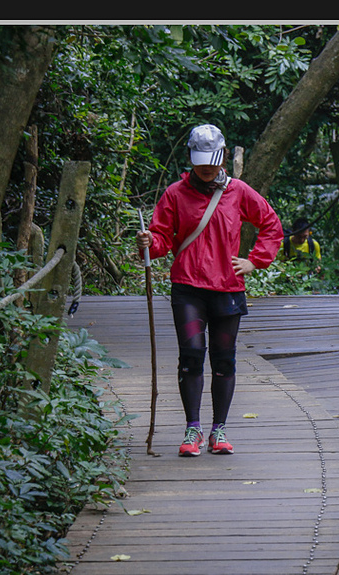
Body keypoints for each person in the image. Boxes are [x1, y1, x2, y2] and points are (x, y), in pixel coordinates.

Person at [136, 124, 284, 456]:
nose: (206, 167)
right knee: (190, 356)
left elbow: (271, 224)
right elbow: (161, 238)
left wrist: (255, 261)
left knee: (224, 360)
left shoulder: (239, 191)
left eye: (212, 160)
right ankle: (193, 429)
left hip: (227, 288)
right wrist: (149, 243)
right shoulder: (175, 193)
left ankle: (219, 430)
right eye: (200, 160)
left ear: (223, 157)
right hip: (187, 287)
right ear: (190, 157)